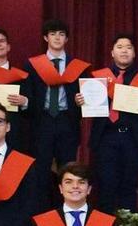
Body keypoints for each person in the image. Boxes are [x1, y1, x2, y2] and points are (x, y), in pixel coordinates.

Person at [84, 34, 138, 212]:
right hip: (106, 139)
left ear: (134, 54)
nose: (124, 50)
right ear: (112, 52)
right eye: (120, 46)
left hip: (133, 140)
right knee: (105, 188)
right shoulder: (98, 79)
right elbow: (88, 109)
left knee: (129, 188)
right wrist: (81, 101)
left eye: (129, 47)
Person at [23, 19, 90, 174]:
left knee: (68, 169)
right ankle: (41, 199)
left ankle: (66, 199)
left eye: (61, 34)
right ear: (46, 38)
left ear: (66, 39)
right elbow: (28, 95)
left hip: (67, 121)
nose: (57, 38)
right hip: (42, 122)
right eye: (53, 34)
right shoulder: (32, 65)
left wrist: (82, 102)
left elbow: (86, 99)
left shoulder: (78, 66)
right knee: (40, 170)